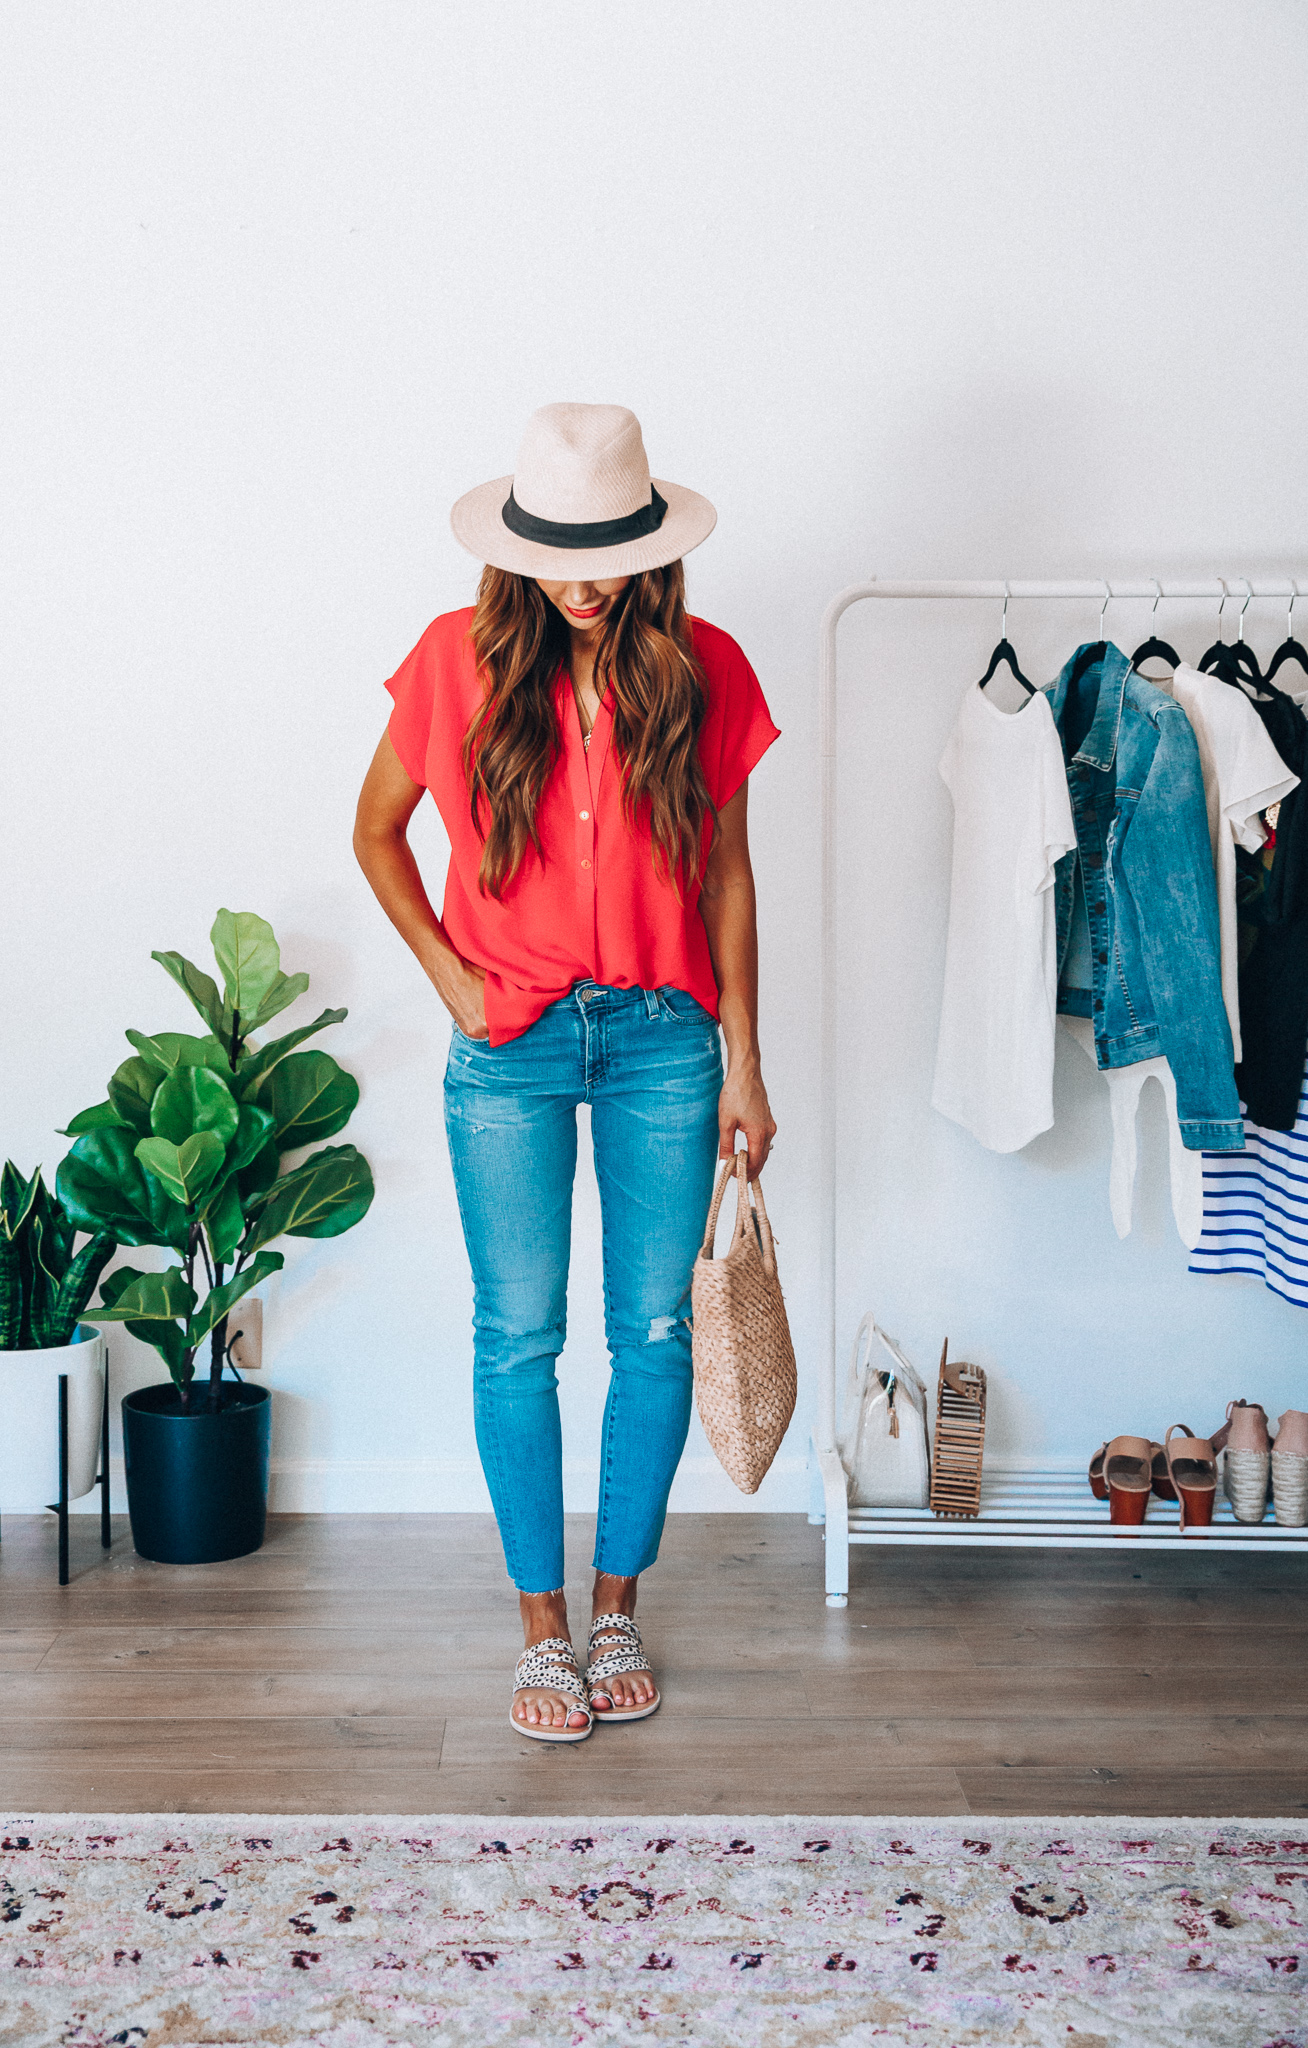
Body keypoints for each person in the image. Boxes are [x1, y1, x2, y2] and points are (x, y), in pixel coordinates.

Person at [353, 403, 779, 1742]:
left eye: (610, 551)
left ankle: (615, 1608)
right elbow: (375, 835)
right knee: (517, 1335)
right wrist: (449, 976)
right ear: (516, 548)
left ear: (652, 546)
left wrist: (745, 1064)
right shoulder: (451, 663)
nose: (585, 580)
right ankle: (540, 1628)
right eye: (560, 552)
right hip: (512, 1045)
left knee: (652, 1334)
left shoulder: (705, 669)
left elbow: (726, 872)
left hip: (665, 1042)